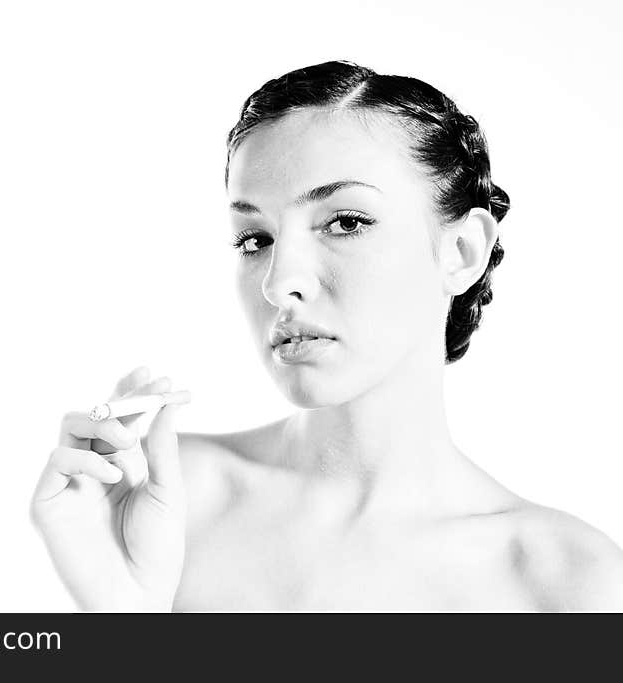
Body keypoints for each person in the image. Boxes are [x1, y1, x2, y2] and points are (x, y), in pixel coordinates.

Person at [30, 60, 623, 611]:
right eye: (253, 238)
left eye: (345, 222)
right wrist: (122, 611)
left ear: (462, 250)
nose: (278, 281)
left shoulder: (569, 585)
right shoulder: (162, 501)